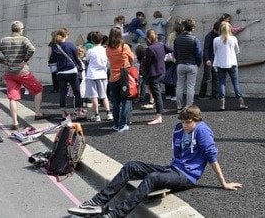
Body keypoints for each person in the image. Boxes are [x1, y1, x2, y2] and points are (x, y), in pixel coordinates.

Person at [76, 105, 242, 218]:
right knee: (132, 166)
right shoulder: (179, 128)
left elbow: (211, 157)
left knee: (153, 178)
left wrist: (224, 183)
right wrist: (170, 170)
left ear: (197, 120)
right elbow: (177, 155)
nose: (184, 125)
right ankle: (97, 202)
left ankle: (116, 214)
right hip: (173, 169)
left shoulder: (203, 132)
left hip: (187, 177)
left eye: (188, 122)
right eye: (182, 121)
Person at [0, 21, 44, 129]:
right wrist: (25, 60)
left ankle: (15, 123)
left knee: (12, 98)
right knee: (38, 90)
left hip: (9, 73)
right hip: (23, 72)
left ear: (12, 29)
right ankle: (38, 113)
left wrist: (1, 60)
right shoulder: (23, 39)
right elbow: (32, 49)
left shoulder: (3, 40)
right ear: (21, 29)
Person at [51, 28, 85, 120]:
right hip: (71, 71)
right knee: (77, 92)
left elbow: (53, 60)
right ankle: (78, 113)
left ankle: (63, 113)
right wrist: (80, 67)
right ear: (65, 35)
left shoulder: (55, 47)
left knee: (62, 92)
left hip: (60, 72)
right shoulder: (70, 45)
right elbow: (76, 58)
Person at [213, 21, 247, 111]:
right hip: (232, 63)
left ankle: (222, 104)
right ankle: (241, 103)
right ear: (229, 29)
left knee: (221, 83)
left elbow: (215, 51)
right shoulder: (233, 39)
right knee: (235, 83)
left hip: (220, 63)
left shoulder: (216, 40)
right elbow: (237, 51)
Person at [106, 27, 135, 132]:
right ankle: (122, 124)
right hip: (124, 77)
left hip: (113, 76)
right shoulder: (124, 46)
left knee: (116, 102)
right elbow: (132, 58)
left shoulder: (108, 48)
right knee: (126, 100)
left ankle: (116, 124)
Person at [141, 29, 172, 125]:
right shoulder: (161, 45)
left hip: (153, 74)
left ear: (148, 39)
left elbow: (147, 63)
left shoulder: (150, 49)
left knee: (157, 96)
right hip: (162, 72)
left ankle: (159, 116)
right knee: (157, 95)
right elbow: (171, 50)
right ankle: (158, 113)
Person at [173, 18, 202, 112]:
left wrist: (178, 61)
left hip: (180, 64)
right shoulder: (195, 39)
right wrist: (198, 63)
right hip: (192, 64)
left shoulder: (177, 39)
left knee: (179, 85)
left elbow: (175, 53)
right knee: (190, 86)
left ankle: (178, 107)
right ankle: (189, 107)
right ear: (192, 28)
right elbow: (199, 54)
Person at [85, 31, 113, 122]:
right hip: (103, 74)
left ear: (92, 41)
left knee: (94, 96)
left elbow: (87, 60)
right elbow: (108, 63)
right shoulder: (105, 50)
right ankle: (109, 113)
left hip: (92, 75)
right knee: (104, 95)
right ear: (102, 40)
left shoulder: (90, 51)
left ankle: (97, 115)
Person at [199, 20, 220, 99]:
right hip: (209, 59)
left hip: (215, 59)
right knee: (207, 77)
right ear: (215, 30)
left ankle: (215, 95)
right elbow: (206, 49)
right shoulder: (209, 36)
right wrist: (207, 59)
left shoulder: (217, 35)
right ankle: (202, 95)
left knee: (216, 77)